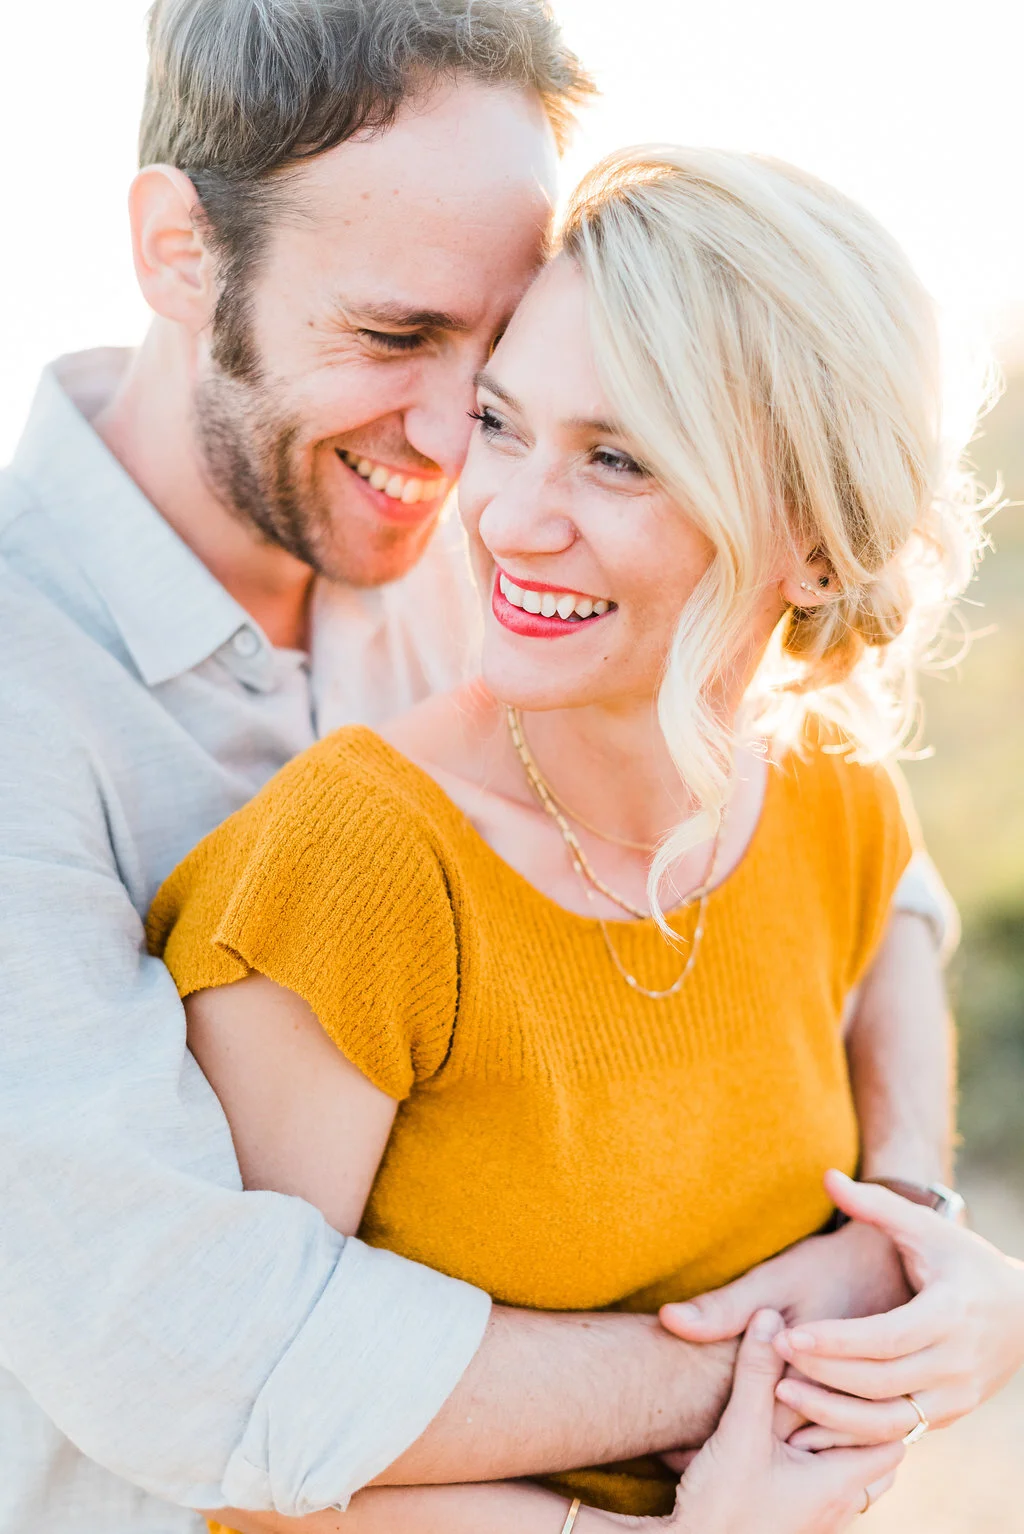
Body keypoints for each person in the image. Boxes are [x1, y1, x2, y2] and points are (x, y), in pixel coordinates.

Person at [0, 2, 958, 1530]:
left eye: (500, 351)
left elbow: (855, 865)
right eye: (397, 336)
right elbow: (204, 1356)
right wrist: (792, 1351)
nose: (465, 453)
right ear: (182, 253)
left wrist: (911, 1220)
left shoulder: (484, 559)